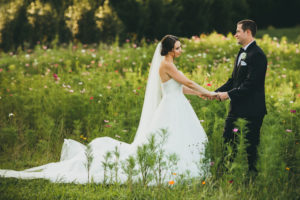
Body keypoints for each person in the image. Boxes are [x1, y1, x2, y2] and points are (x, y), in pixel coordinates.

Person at [0, 35, 216, 184]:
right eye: (178, 47)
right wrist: (211, 92)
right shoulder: (166, 65)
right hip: (170, 109)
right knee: (166, 141)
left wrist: (201, 94)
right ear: (169, 49)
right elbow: (187, 82)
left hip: (176, 104)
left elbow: (179, 88)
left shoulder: (171, 65)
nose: (180, 50)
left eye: (180, 47)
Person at [216, 19, 267, 173]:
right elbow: (233, 81)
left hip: (252, 110)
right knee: (228, 142)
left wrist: (228, 95)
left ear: (248, 32)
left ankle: (251, 180)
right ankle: (224, 175)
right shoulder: (242, 53)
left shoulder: (257, 55)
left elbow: (251, 84)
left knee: (251, 148)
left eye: (238, 31)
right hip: (236, 109)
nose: (235, 34)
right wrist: (215, 93)